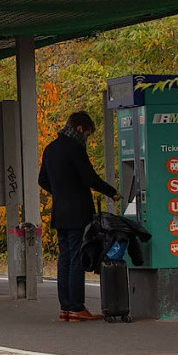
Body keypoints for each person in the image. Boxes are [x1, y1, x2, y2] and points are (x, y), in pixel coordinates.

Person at [38, 111, 120, 322]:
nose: (87, 139)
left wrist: (59, 192)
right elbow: (90, 177)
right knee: (76, 258)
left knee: (64, 258)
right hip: (77, 212)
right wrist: (112, 192)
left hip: (60, 212)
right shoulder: (75, 149)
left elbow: (42, 179)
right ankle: (77, 307)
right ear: (81, 129)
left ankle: (65, 308)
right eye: (88, 134)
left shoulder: (51, 148)